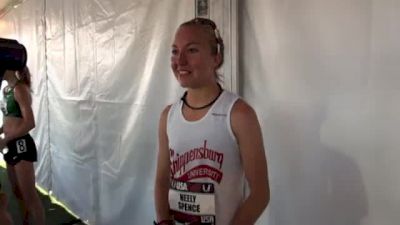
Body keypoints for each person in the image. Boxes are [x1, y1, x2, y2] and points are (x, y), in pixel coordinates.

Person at [154, 18, 269, 225]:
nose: (180, 61)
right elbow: (162, 181)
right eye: (174, 51)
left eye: (192, 50)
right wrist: (163, 222)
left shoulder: (239, 115)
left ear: (216, 57)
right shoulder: (168, 117)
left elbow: (260, 194)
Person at [0, 67, 45, 225]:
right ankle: (26, 221)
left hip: (21, 144)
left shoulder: (19, 89)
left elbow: (29, 123)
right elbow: (9, 118)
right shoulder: (7, 90)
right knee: (16, 191)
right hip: (9, 143)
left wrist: (6, 139)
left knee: (30, 196)